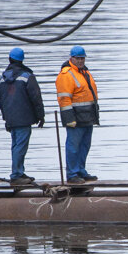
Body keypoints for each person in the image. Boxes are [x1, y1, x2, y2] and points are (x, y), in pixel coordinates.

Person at [0, 47, 45, 185]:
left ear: (9, 59)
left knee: (15, 145)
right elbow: (36, 97)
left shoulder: (3, 78)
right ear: (22, 60)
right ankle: (17, 174)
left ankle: (18, 171)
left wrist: (5, 118)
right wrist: (40, 115)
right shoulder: (26, 76)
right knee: (21, 146)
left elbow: (1, 100)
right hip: (24, 117)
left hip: (11, 118)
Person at [55, 45, 100, 184]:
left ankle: (81, 170)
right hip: (75, 118)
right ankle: (72, 174)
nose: (81, 61)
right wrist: (69, 119)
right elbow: (64, 98)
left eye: (82, 58)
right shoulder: (66, 74)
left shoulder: (84, 72)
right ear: (71, 58)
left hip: (87, 117)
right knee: (73, 146)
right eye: (78, 58)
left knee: (84, 146)